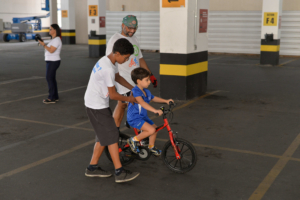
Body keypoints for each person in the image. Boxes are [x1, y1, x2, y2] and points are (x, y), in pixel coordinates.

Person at [84, 38, 139, 183]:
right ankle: (119, 172)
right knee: (112, 134)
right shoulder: (108, 68)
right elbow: (114, 95)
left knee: (103, 136)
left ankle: (92, 167)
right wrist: (130, 99)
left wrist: (133, 89)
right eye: (126, 58)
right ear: (118, 53)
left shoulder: (108, 61)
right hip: (96, 106)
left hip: (97, 103)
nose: (126, 61)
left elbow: (118, 77)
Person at [105, 15, 158, 131]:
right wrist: (115, 77)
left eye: (134, 28)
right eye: (129, 28)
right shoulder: (114, 40)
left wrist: (150, 75)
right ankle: (115, 132)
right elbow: (110, 61)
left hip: (136, 79)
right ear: (123, 25)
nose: (132, 31)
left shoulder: (135, 39)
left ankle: (132, 124)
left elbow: (140, 59)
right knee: (125, 103)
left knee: (131, 103)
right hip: (122, 78)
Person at [126, 68, 173, 156]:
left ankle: (151, 147)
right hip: (134, 117)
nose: (149, 82)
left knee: (155, 129)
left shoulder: (146, 91)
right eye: (147, 80)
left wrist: (166, 101)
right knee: (151, 130)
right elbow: (142, 103)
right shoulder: (135, 91)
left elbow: (153, 98)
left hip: (143, 117)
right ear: (139, 81)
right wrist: (155, 110)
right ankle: (133, 140)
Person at [38, 24, 62, 104]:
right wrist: (43, 43)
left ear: (55, 30)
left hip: (53, 61)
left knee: (49, 78)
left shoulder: (57, 40)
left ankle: (51, 98)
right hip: (51, 61)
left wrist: (43, 45)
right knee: (52, 79)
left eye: (50, 29)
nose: (49, 30)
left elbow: (51, 50)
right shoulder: (54, 39)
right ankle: (55, 96)